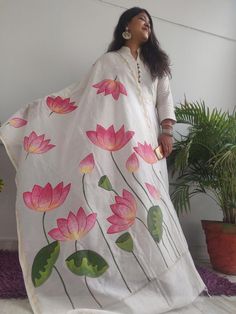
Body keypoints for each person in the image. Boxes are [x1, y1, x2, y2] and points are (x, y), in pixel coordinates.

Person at [0, 7, 206, 314]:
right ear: (126, 26)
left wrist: (167, 131)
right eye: (141, 19)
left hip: (148, 147)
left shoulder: (157, 65)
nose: (146, 24)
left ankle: (161, 278)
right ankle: (115, 277)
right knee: (118, 206)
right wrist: (40, 110)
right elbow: (83, 96)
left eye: (149, 21)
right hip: (119, 147)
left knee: (152, 207)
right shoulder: (109, 62)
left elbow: (165, 99)